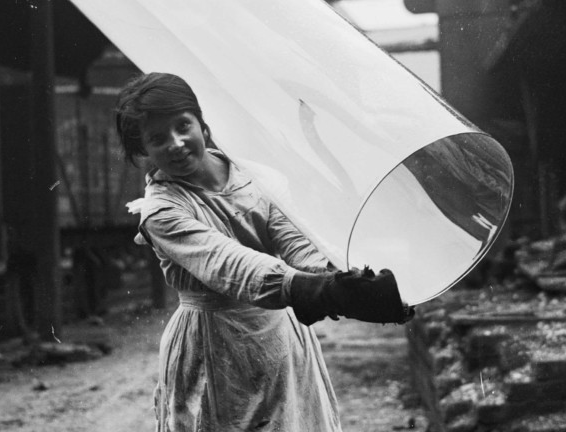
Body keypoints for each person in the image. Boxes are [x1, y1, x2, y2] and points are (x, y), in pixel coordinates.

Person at [116, 72, 414, 431]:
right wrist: (314, 291)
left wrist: (341, 279)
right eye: (157, 138)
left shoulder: (256, 177)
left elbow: (294, 241)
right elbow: (228, 264)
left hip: (278, 339)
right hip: (214, 342)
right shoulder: (162, 210)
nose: (176, 143)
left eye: (183, 126)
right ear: (143, 151)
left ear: (202, 123)